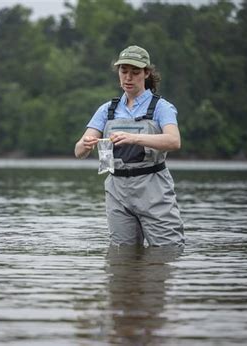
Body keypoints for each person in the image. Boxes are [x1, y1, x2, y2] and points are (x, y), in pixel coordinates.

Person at [74, 45, 184, 247]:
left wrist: (134, 138)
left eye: (135, 73)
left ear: (147, 73)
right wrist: (85, 144)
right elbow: (78, 151)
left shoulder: (162, 107)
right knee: (121, 256)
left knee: (168, 249)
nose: (128, 78)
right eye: (124, 72)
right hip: (117, 190)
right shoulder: (107, 109)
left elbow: (173, 141)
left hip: (153, 187)